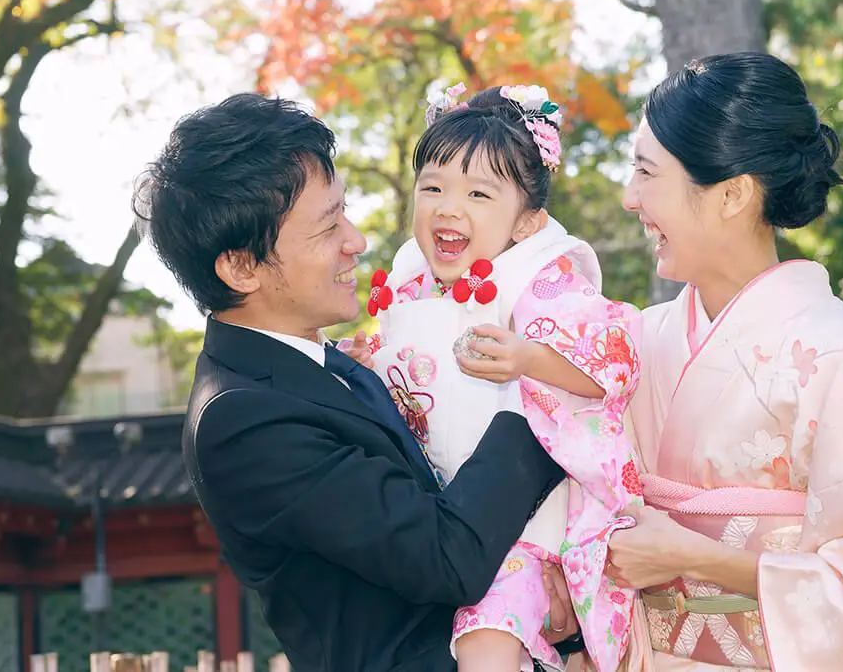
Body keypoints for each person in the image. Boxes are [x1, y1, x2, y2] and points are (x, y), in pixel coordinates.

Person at [131, 92, 582, 672]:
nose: (356, 240)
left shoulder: (330, 362)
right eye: (326, 228)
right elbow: (447, 557)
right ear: (241, 266)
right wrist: (544, 385)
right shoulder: (241, 419)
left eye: (343, 211)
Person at [598, 52, 843, 672]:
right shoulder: (635, 341)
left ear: (732, 194)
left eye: (646, 172)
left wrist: (696, 556)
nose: (631, 198)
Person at [343, 83, 643, 672]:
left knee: (486, 648)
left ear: (528, 220)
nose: (448, 208)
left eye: (479, 193)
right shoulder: (411, 279)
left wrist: (530, 358)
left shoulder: (539, 276)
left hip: (528, 515)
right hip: (445, 511)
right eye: (432, 187)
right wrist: (371, 363)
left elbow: (615, 358)